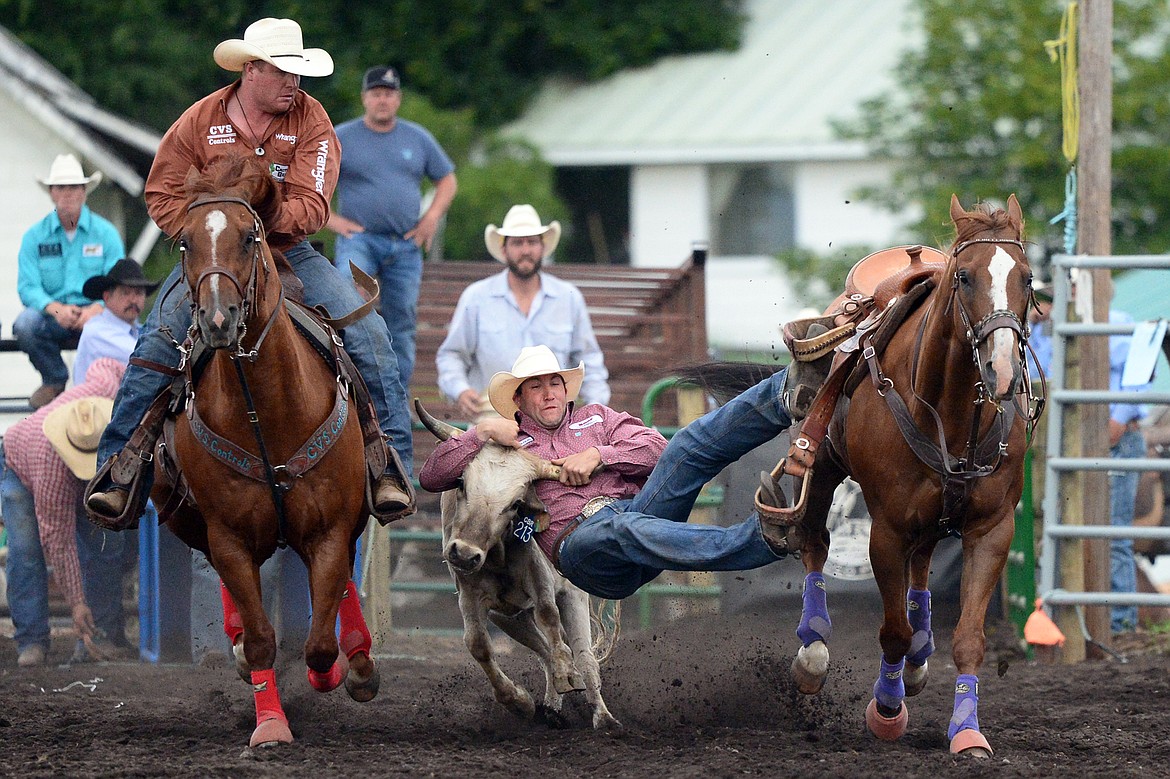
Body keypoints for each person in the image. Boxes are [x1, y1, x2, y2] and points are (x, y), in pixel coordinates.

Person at [86, 18, 414, 527]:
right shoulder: (199, 120)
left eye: (298, 74)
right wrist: (203, 236)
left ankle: (389, 465)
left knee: (369, 332)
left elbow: (312, 201)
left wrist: (250, 227)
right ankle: (118, 469)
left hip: (289, 251)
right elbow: (162, 189)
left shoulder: (312, 120)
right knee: (158, 338)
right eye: (283, 73)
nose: (293, 84)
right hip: (213, 257)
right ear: (252, 69)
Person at [419, 345, 791, 600]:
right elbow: (433, 477)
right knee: (622, 528)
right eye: (536, 386)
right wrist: (481, 430)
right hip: (580, 547)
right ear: (518, 399)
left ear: (567, 391)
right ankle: (762, 540)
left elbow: (660, 452)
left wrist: (600, 454)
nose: (548, 393)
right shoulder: (503, 445)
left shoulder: (598, 418)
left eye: (554, 383)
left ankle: (785, 392)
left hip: (639, 513)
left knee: (687, 443)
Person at [1029, 280, 1151, 633]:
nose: (1054, 300)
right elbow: (1041, 377)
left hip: (1113, 439)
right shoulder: (1048, 330)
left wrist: (1120, 418)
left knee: (1112, 533)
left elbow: (1138, 377)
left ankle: (1119, 624)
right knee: (1061, 528)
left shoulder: (1119, 321)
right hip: (1069, 443)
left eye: (1070, 287)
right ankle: (1070, 620)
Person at [327, 65, 457, 389]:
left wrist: (431, 218)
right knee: (348, 298)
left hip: (406, 243)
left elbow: (448, 180)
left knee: (402, 319)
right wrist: (330, 219)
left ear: (398, 99)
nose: (382, 100)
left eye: (388, 94)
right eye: (375, 94)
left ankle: (395, 394)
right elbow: (310, 183)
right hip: (360, 240)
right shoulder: (341, 136)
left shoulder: (418, 137)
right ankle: (349, 384)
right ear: (364, 98)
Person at [1, 358, 132, 666]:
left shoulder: (106, 391)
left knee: (105, 543)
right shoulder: (51, 473)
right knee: (26, 550)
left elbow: (106, 364)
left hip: (62, 461)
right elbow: (59, 542)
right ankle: (32, 641)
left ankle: (99, 638)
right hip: (19, 465)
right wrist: (76, 603)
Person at [436, 205, 610, 420]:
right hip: (493, 418)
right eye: (517, 242)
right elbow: (451, 354)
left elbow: (589, 359)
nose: (526, 250)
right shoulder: (477, 297)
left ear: (543, 247)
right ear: (504, 249)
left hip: (554, 421)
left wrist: (595, 409)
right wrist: (460, 390)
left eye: (532, 242)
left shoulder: (568, 297)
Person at [15, 154, 124, 408]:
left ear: (84, 191)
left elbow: (118, 282)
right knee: (25, 324)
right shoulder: (34, 237)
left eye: (74, 186)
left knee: (119, 329)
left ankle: (100, 386)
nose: (68, 193)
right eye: (61, 187)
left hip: (97, 315)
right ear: (51, 193)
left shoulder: (106, 234)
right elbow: (27, 287)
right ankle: (54, 378)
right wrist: (56, 309)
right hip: (52, 316)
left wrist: (98, 308)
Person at [72, 258, 160, 384]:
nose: (133, 300)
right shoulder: (97, 331)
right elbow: (146, 359)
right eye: (126, 293)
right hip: (94, 402)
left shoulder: (141, 330)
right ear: (107, 297)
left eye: (139, 293)